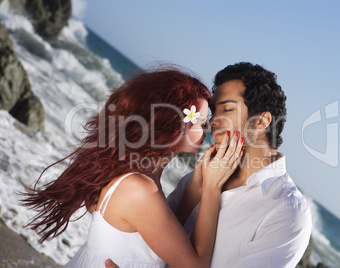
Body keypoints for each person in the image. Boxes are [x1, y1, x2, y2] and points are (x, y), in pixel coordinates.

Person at [22, 68, 245, 268]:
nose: (207, 130)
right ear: (177, 124)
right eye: (202, 122)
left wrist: (194, 190)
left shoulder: (135, 175)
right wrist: (212, 189)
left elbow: (156, 236)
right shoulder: (139, 188)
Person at [106, 62, 312, 268]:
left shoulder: (287, 212)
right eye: (214, 111)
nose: (213, 121)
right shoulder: (197, 178)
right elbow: (150, 249)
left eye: (228, 109)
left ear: (261, 121)